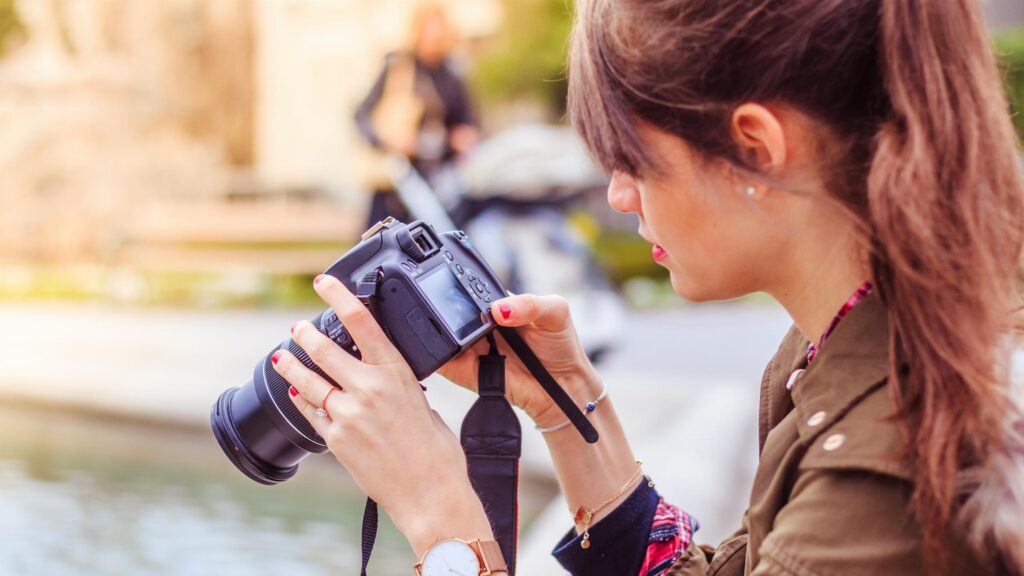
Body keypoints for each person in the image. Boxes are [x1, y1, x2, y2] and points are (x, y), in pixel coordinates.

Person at [273, 0, 1024, 574]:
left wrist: (441, 517)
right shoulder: (848, 350)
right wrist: (565, 399)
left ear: (754, 148)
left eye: (632, 160)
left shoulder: (887, 472)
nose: (619, 196)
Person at [354, 2, 479, 227]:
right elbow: (361, 115)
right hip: (397, 180)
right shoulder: (399, 68)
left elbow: (468, 121)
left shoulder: (452, 75)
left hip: (438, 182)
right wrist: (388, 140)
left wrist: (464, 136)